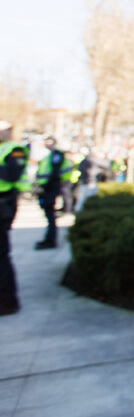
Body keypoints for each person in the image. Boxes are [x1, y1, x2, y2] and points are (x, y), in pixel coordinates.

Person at [1, 121, 31, 315]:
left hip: (3, 204)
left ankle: (7, 301)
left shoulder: (15, 150)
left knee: (1, 255)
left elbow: (12, 175)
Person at [34, 137, 72, 250]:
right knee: (49, 214)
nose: (47, 144)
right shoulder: (49, 155)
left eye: (49, 142)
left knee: (50, 214)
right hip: (48, 187)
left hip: (50, 187)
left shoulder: (57, 154)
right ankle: (49, 238)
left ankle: (51, 240)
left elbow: (55, 172)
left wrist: (45, 187)